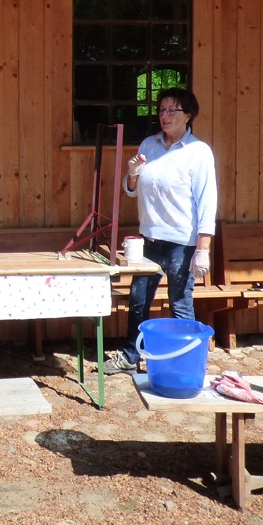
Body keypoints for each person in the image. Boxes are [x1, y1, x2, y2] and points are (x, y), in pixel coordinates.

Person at [105, 88, 217, 374]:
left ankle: (187, 361)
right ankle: (131, 356)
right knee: (138, 300)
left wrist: (202, 249)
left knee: (180, 303)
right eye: (162, 110)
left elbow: (207, 202)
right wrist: (131, 173)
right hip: (150, 239)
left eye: (172, 111)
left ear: (188, 116)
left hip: (182, 243)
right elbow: (132, 190)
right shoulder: (149, 145)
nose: (165, 116)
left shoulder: (198, 152)